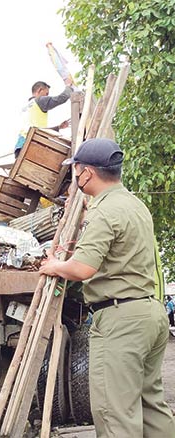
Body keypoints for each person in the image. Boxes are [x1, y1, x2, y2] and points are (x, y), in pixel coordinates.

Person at [39, 138, 175, 437]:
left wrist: (54, 266)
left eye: (75, 170)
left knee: (115, 413)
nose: (74, 177)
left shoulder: (103, 211)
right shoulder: (135, 204)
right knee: (150, 404)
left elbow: (82, 268)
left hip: (120, 321)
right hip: (150, 312)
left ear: (86, 172)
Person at [14, 78, 73, 158]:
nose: (47, 97)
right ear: (40, 90)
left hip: (20, 145)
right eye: (46, 93)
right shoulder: (40, 101)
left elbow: (37, 129)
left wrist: (59, 127)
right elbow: (60, 99)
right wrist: (68, 86)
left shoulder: (26, 108)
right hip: (33, 142)